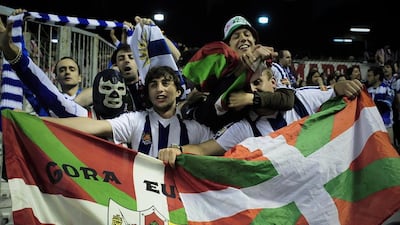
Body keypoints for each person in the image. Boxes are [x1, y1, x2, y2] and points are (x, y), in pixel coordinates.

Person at [158, 63, 364, 167]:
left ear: (273, 82)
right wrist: (176, 150)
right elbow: (204, 149)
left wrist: (345, 85)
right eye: (247, 87)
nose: (252, 91)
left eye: (257, 83)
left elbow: (336, 90)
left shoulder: (302, 100)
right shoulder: (245, 127)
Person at [42, 66, 214, 158]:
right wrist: (41, 122)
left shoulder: (194, 128)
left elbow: (221, 147)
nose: (159, 89)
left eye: (165, 83)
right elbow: (94, 126)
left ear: (178, 92)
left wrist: (184, 150)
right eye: (153, 85)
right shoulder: (136, 120)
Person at [180, 15, 295, 132]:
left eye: (247, 34)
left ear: (255, 41)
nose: (243, 38)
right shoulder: (217, 70)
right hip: (219, 132)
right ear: (228, 46)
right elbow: (211, 111)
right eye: (236, 36)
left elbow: (287, 99)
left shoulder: (271, 67)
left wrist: (250, 98)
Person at [366, 66, 395, 144]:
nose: (367, 78)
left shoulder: (387, 89)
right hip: (372, 128)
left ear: (377, 76)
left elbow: (386, 105)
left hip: (386, 126)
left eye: (369, 76)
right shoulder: (367, 91)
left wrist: (371, 105)